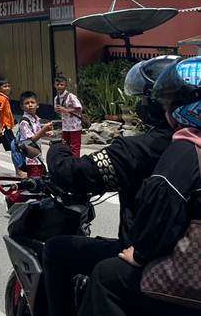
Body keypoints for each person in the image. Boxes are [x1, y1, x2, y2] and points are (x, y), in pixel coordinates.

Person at [41, 55, 181, 316]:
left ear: (156, 102)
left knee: (55, 250)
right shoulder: (189, 142)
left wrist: (56, 150)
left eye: (142, 100)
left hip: (146, 257)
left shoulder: (140, 148)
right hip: (184, 257)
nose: (138, 107)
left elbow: (73, 175)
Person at [78, 56, 201, 316]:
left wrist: (142, 253)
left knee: (106, 275)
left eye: (169, 103)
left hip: (193, 275)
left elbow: (162, 208)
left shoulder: (185, 151)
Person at [15, 91, 54, 177]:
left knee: (40, 175)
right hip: (29, 156)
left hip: (36, 152)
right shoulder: (24, 122)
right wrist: (43, 130)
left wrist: (45, 133)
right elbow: (31, 139)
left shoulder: (36, 118)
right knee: (35, 177)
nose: (30, 105)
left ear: (37, 104)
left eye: (32, 102)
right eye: (27, 103)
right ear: (22, 106)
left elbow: (36, 133)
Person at [54, 76, 84, 157]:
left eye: (61, 84)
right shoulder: (56, 98)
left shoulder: (71, 96)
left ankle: (75, 164)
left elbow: (79, 108)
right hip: (65, 126)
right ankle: (67, 162)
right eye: (57, 84)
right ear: (55, 85)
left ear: (65, 86)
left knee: (75, 146)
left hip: (75, 125)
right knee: (65, 146)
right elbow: (58, 111)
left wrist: (66, 110)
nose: (59, 86)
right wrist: (58, 110)